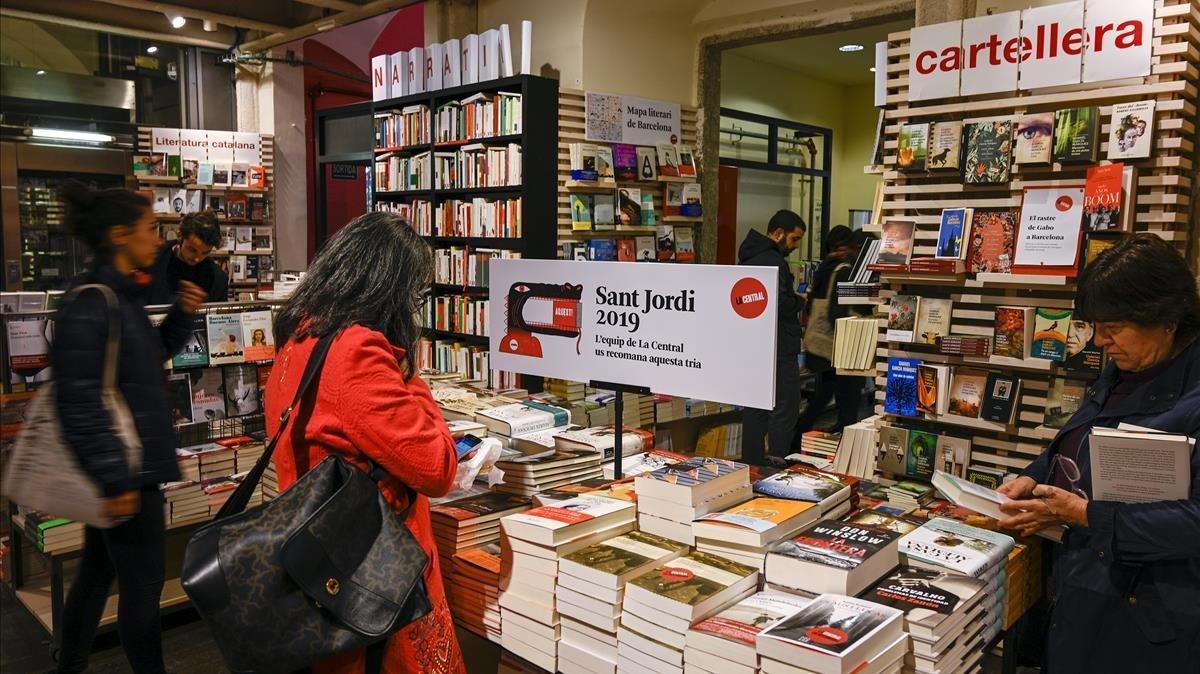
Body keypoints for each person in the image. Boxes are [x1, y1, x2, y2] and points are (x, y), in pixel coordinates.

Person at [265, 212, 464, 674]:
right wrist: (412, 378)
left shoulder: (300, 334)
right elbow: (437, 468)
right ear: (389, 289)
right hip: (371, 575)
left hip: (315, 555)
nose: (414, 307)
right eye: (414, 293)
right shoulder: (357, 350)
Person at [994, 234, 1200, 674]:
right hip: (1082, 590)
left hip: (1146, 615)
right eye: (1096, 327)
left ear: (1165, 317)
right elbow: (1082, 442)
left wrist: (1086, 515)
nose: (1102, 341)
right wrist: (1035, 475)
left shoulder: (1190, 394)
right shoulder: (1126, 367)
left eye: (1114, 327)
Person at [53, 182, 207, 673]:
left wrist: (182, 317)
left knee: (97, 575)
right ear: (120, 235)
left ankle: (68, 665)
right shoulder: (92, 301)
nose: (158, 239)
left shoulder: (120, 296)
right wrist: (114, 477)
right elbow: (78, 401)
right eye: (148, 229)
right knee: (140, 589)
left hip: (129, 467)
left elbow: (146, 362)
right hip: (127, 471)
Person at [738, 209, 807, 465]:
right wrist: (799, 301)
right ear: (779, 233)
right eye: (794, 239)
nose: (796, 246)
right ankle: (777, 463)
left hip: (754, 344)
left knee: (755, 405)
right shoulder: (774, 261)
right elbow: (780, 304)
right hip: (779, 345)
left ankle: (751, 464)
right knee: (785, 406)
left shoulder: (748, 257)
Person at [793, 228, 872, 445]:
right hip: (839, 345)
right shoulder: (845, 270)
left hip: (820, 346)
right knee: (845, 397)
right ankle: (801, 436)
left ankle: (798, 436)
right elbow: (837, 312)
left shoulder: (825, 266)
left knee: (827, 394)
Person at [146, 210, 228, 305]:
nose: (197, 258)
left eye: (205, 253)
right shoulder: (153, 258)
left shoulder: (217, 279)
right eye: (192, 250)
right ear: (180, 236)